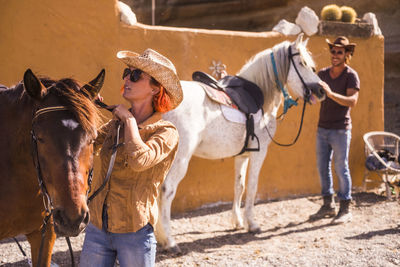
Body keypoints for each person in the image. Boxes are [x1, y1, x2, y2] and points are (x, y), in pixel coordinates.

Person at [80, 48, 183, 266]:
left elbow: (139, 160)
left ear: (156, 89)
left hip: (134, 232)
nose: (127, 78)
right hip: (97, 227)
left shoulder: (165, 132)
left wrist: (128, 120)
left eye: (136, 75)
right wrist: (84, 106)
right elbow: (86, 144)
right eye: (127, 72)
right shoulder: (115, 124)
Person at [309, 36, 360, 224]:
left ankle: (345, 208)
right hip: (322, 129)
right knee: (322, 168)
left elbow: (352, 101)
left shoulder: (350, 75)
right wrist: (307, 99)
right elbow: (317, 98)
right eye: (333, 51)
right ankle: (328, 205)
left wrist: (330, 94)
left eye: (339, 52)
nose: (335, 55)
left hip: (340, 130)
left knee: (341, 168)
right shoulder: (322, 74)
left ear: (347, 54)